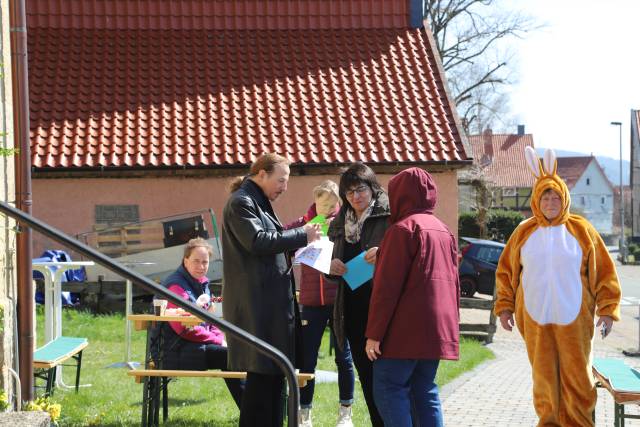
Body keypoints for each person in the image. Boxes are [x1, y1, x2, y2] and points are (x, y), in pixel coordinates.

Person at [494, 147, 621, 427]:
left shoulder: (582, 230)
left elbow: (605, 273)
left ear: (564, 197)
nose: (550, 201)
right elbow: (505, 273)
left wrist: (608, 310)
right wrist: (504, 307)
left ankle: (578, 423)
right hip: (535, 318)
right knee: (543, 379)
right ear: (536, 200)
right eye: (544, 196)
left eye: (555, 196)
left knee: (578, 378)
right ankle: (549, 422)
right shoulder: (523, 232)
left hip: (575, 319)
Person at [221, 153, 323, 427]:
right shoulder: (242, 202)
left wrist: (298, 244)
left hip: (268, 308)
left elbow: (269, 245)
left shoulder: (257, 200)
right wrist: (302, 234)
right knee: (264, 381)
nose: (284, 187)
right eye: (281, 180)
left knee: (273, 378)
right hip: (258, 309)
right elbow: (257, 241)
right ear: (262, 174)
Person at [365, 167, 459, 427]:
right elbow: (453, 283)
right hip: (436, 330)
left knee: (388, 388)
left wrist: (374, 333)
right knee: (425, 391)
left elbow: (387, 289)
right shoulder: (444, 230)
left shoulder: (401, 230)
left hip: (403, 331)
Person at [285, 180, 355, 427]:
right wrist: (301, 235)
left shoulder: (346, 224)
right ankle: (305, 413)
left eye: (330, 203)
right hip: (312, 300)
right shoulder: (305, 224)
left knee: (343, 357)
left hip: (339, 300)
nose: (326, 207)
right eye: (321, 202)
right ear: (314, 202)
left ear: (338, 202)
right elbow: (280, 237)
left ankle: (345, 412)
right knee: (308, 358)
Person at [327, 162, 390, 427]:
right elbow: (327, 262)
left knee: (387, 378)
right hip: (351, 311)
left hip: (382, 310)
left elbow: (404, 254)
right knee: (365, 376)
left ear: (372, 188)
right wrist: (330, 267)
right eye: (349, 192)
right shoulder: (340, 221)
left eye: (361, 189)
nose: (356, 196)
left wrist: (384, 254)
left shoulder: (389, 215)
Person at [158, 237, 243, 408]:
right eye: (196, 261)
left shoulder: (201, 284)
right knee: (230, 356)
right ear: (185, 261)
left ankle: (253, 410)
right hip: (173, 350)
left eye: (205, 262)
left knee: (238, 351)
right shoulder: (176, 286)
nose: (201, 266)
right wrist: (219, 341)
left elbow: (211, 322)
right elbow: (183, 328)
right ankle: (252, 412)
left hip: (192, 346)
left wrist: (221, 338)